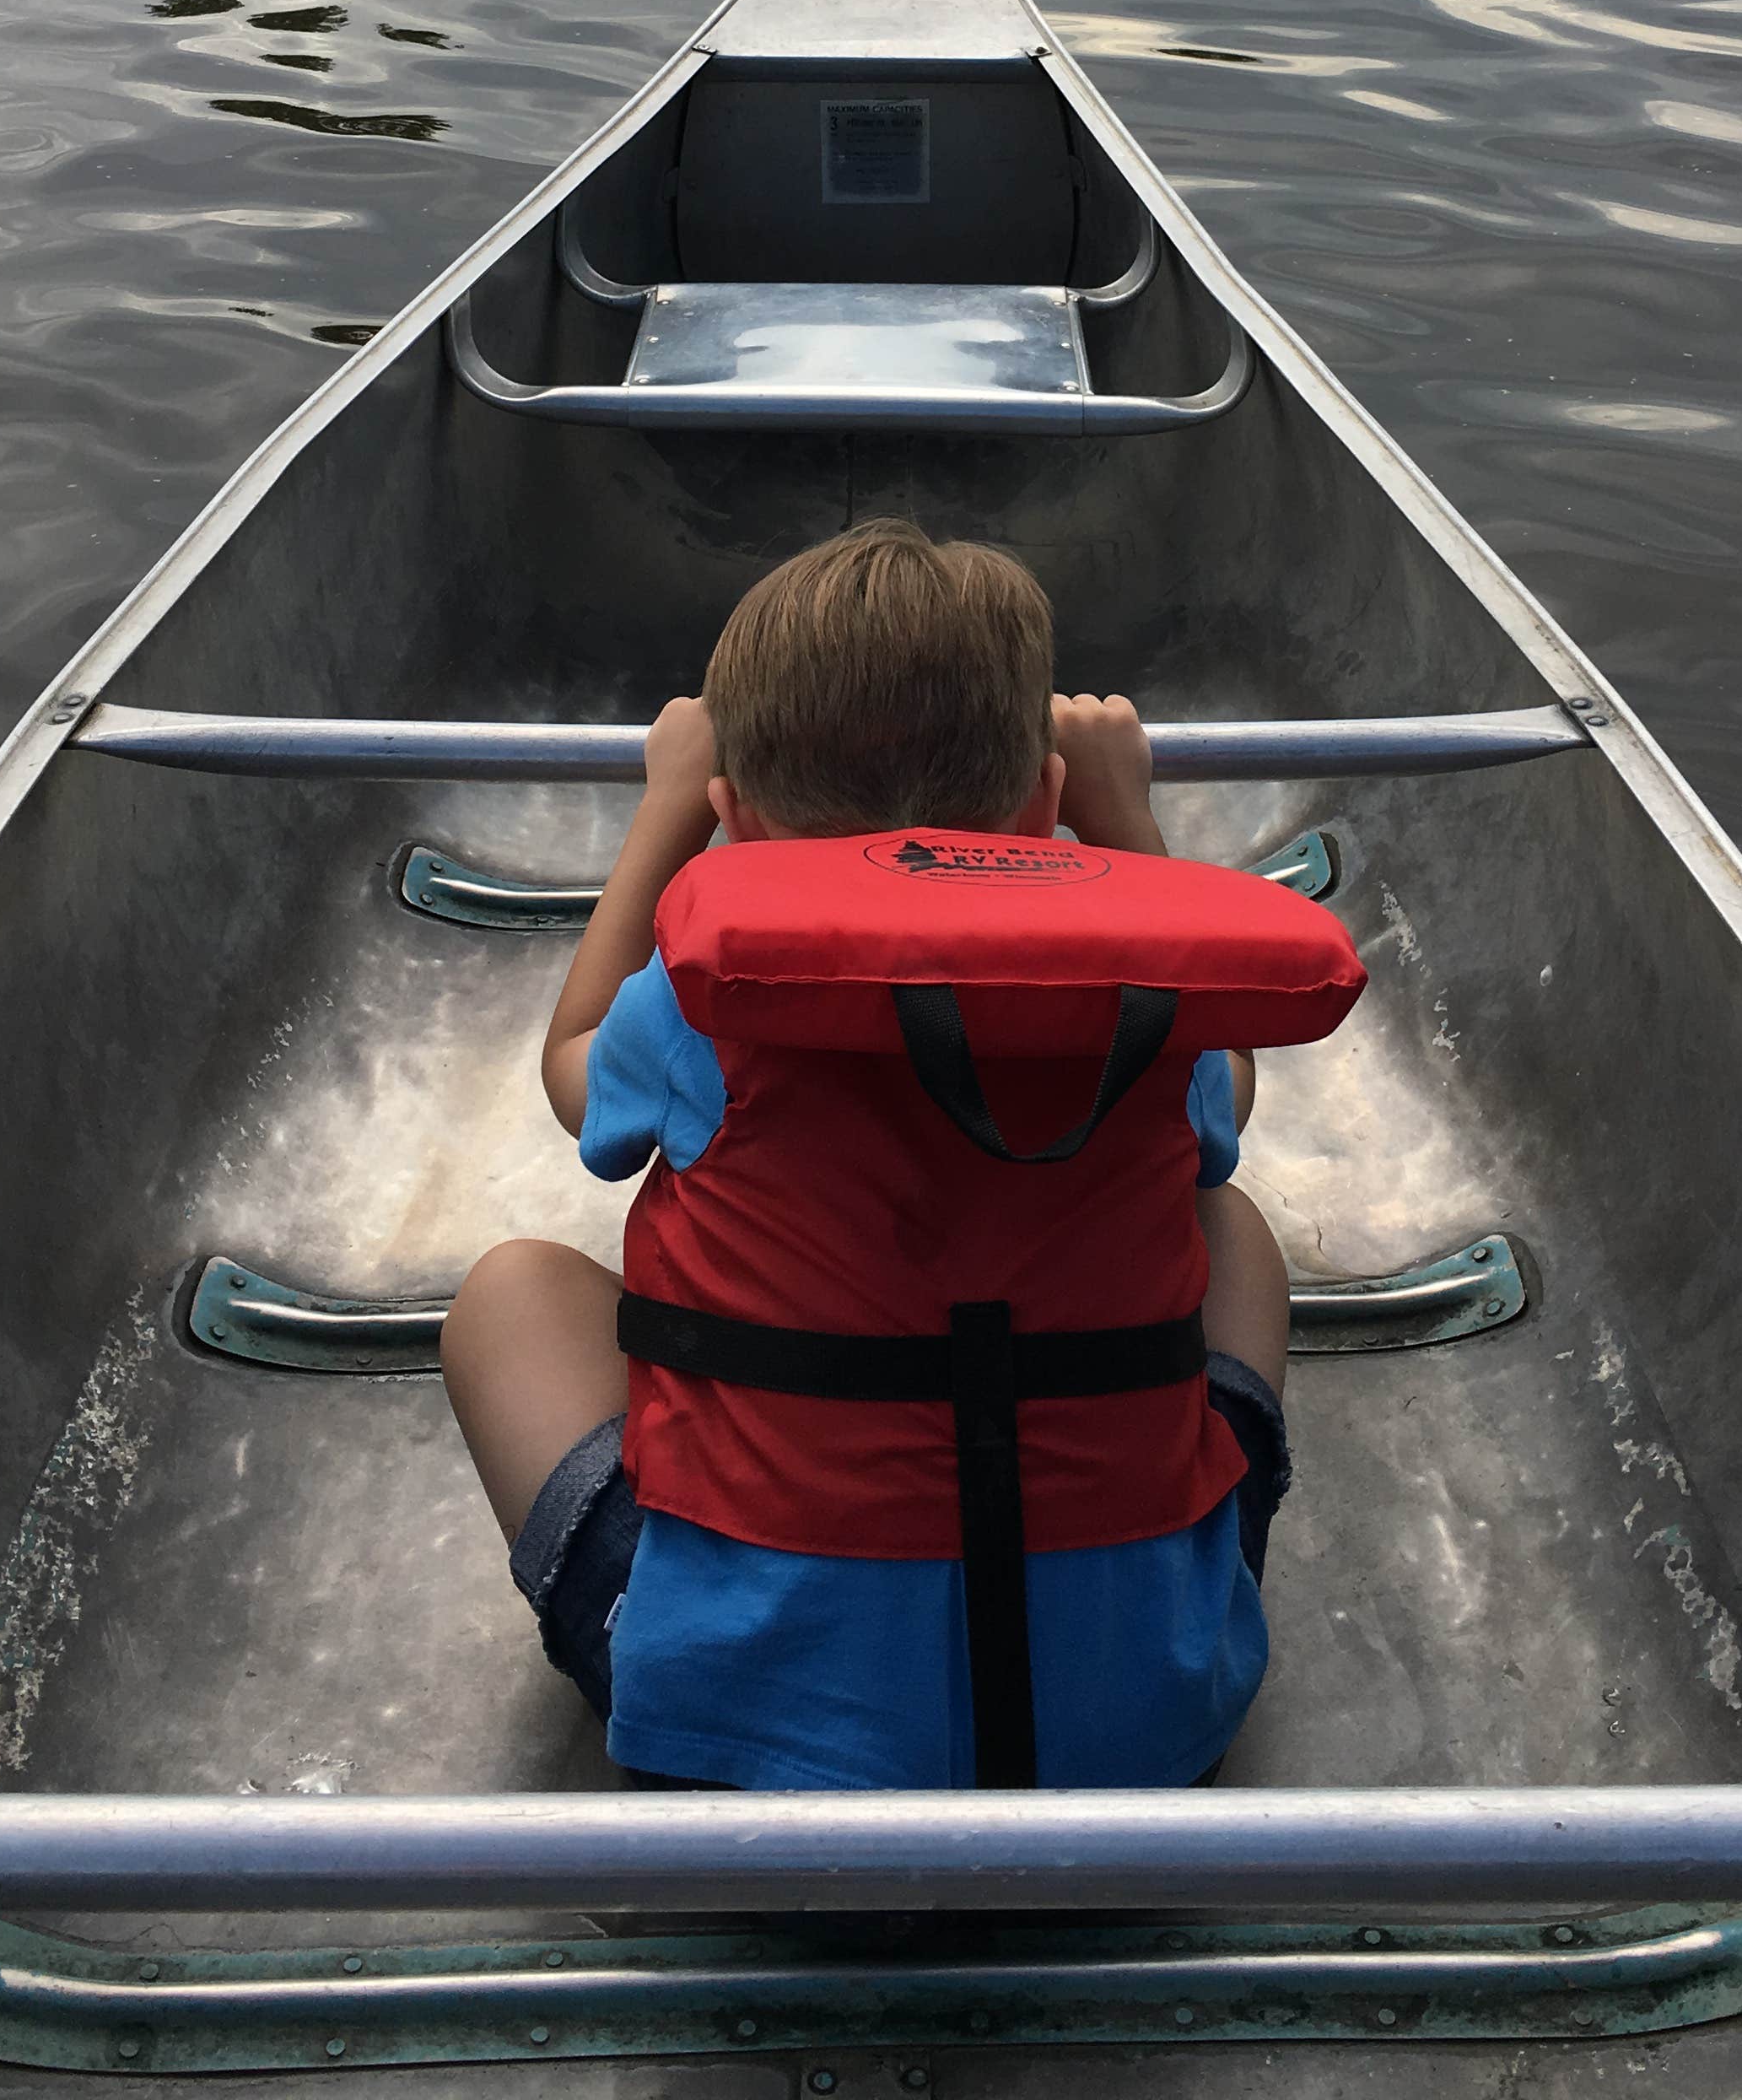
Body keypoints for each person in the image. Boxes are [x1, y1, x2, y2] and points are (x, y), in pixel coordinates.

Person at [440, 516, 1307, 1790]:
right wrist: (1129, 818)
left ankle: (706, 1666)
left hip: (741, 1753)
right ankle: (1159, 1605)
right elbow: (1225, 1071)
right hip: (1148, 1736)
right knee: (1227, 1219)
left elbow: (575, 1070)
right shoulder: (1146, 1007)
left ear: (737, 818)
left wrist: (663, 814)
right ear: (1047, 802)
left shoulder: (699, 1004)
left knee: (512, 1290)